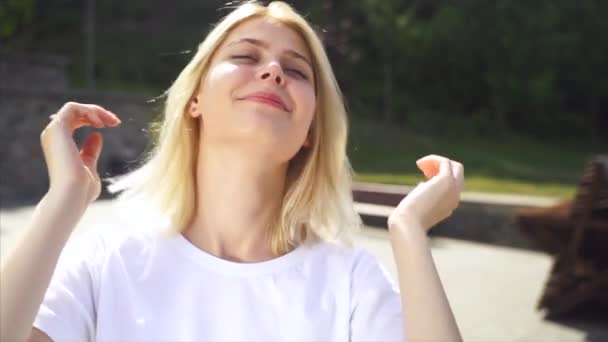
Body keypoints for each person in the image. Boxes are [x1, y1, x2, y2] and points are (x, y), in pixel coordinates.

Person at [0, 1, 464, 341]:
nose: (274, 72)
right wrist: (61, 202)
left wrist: (408, 231)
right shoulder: (105, 263)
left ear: (309, 131)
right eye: (245, 57)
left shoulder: (351, 279)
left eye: (297, 71)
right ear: (195, 100)